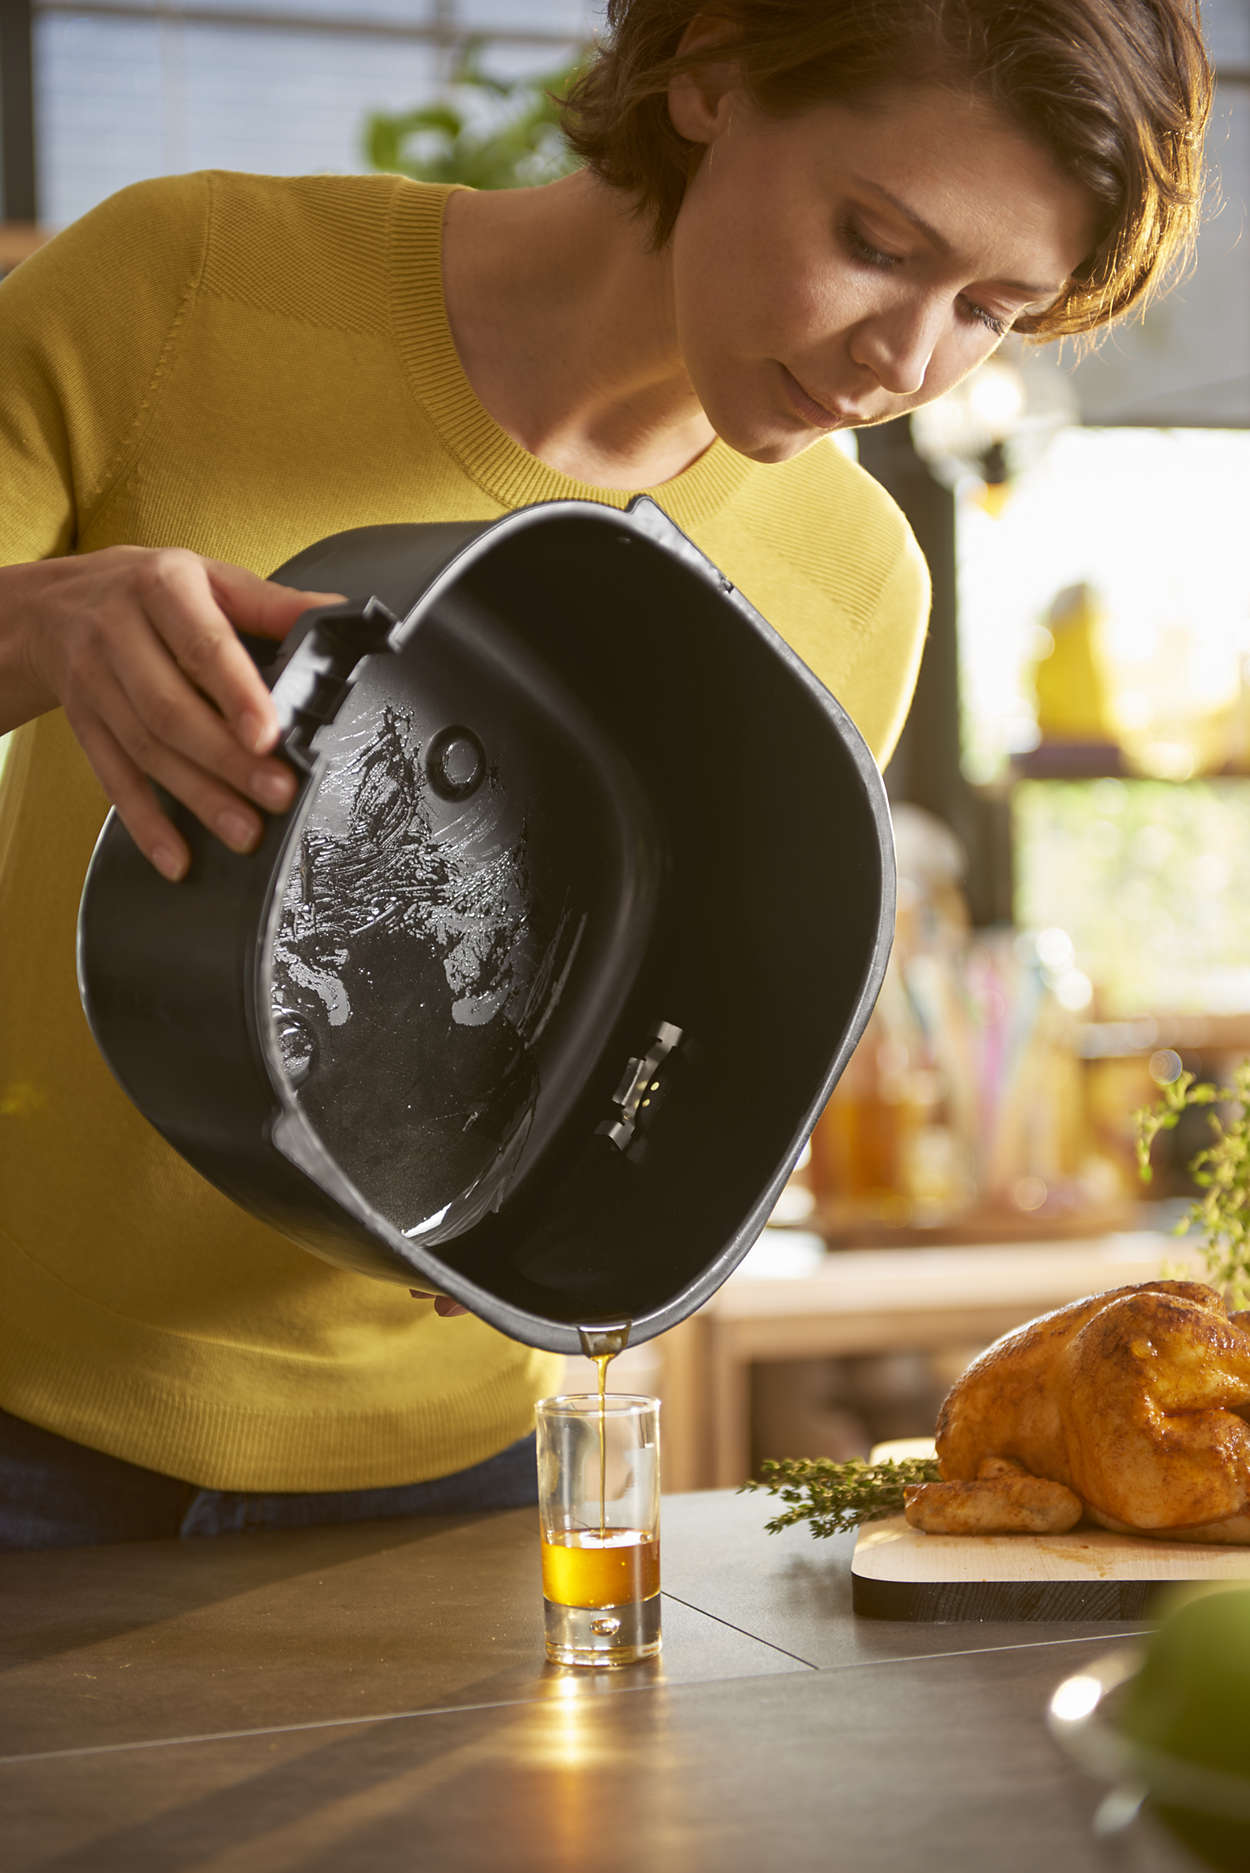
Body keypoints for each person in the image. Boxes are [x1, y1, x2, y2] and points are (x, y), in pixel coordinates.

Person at [0, 0, 1212, 1547]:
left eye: (989, 307)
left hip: (458, 1490)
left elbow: (693, 1037)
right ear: (710, 70)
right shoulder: (190, 286)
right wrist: (47, 619)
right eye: (876, 241)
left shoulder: (850, 584)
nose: (901, 359)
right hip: (24, 1428)